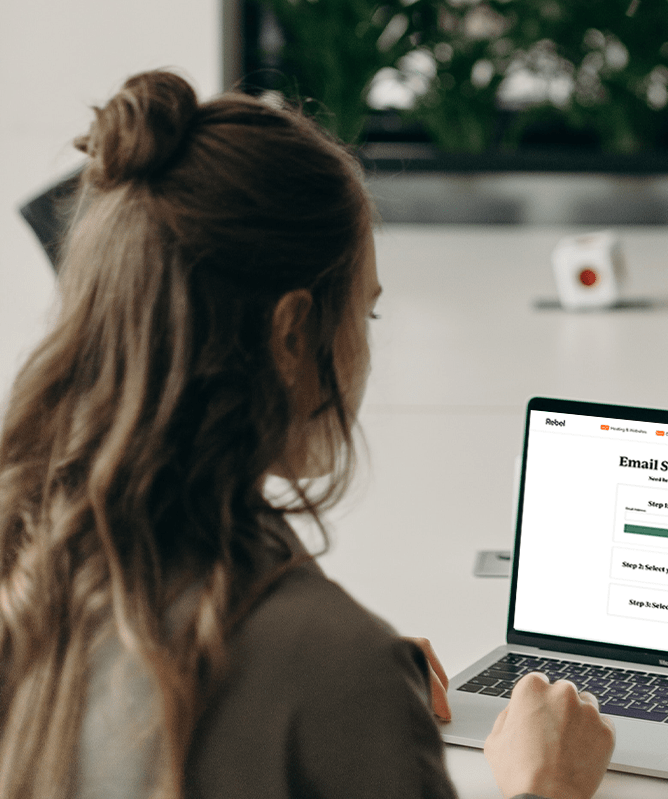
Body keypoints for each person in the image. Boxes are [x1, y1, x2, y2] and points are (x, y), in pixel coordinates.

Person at [0, 70, 614, 799]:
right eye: (366, 313)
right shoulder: (339, 673)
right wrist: (546, 783)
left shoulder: (24, 557)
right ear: (293, 335)